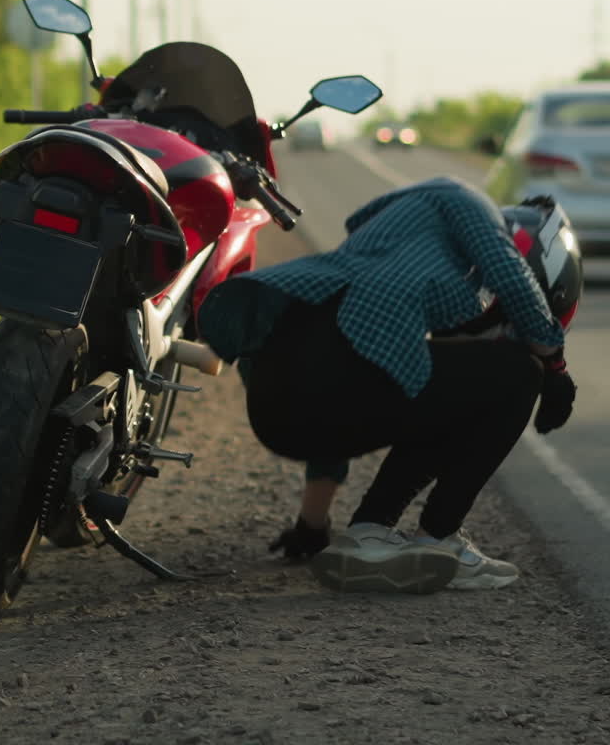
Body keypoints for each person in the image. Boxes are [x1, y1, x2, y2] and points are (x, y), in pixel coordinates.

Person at [196, 177, 581, 595]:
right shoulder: (464, 199)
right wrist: (554, 366)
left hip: (279, 410)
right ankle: (440, 538)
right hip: (321, 379)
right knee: (520, 372)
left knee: (448, 394)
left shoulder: (392, 243)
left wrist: (312, 522)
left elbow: (328, 385)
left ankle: (369, 534)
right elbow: (510, 273)